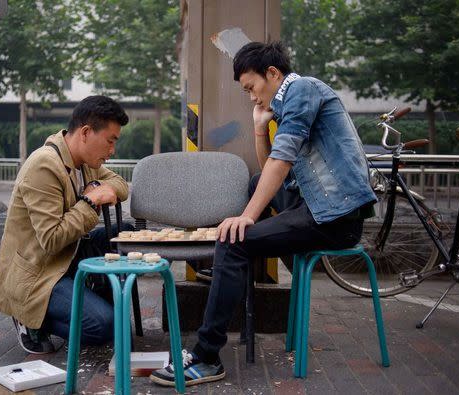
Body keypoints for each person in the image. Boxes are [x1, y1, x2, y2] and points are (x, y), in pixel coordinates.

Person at [150, 41, 376, 387]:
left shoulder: (301, 90)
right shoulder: (287, 102)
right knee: (258, 182)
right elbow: (269, 167)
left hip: (335, 217)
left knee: (234, 241)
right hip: (316, 205)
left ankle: (207, 356)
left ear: (272, 73)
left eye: (251, 88)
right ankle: (245, 265)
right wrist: (259, 126)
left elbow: (282, 161)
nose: (252, 97)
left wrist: (247, 218)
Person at [0, 95, 133, 354]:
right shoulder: (44, 165)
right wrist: (89, 201)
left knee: (126, 236)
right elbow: (51, 239)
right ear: (86, 133)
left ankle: (91, 298)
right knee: (104, 326)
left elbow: (120, 185)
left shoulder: (84, 162)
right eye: (110, 141)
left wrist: (98, 187)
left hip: (70, 255)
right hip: (41, 272)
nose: (112, 151)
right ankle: (29, 316)